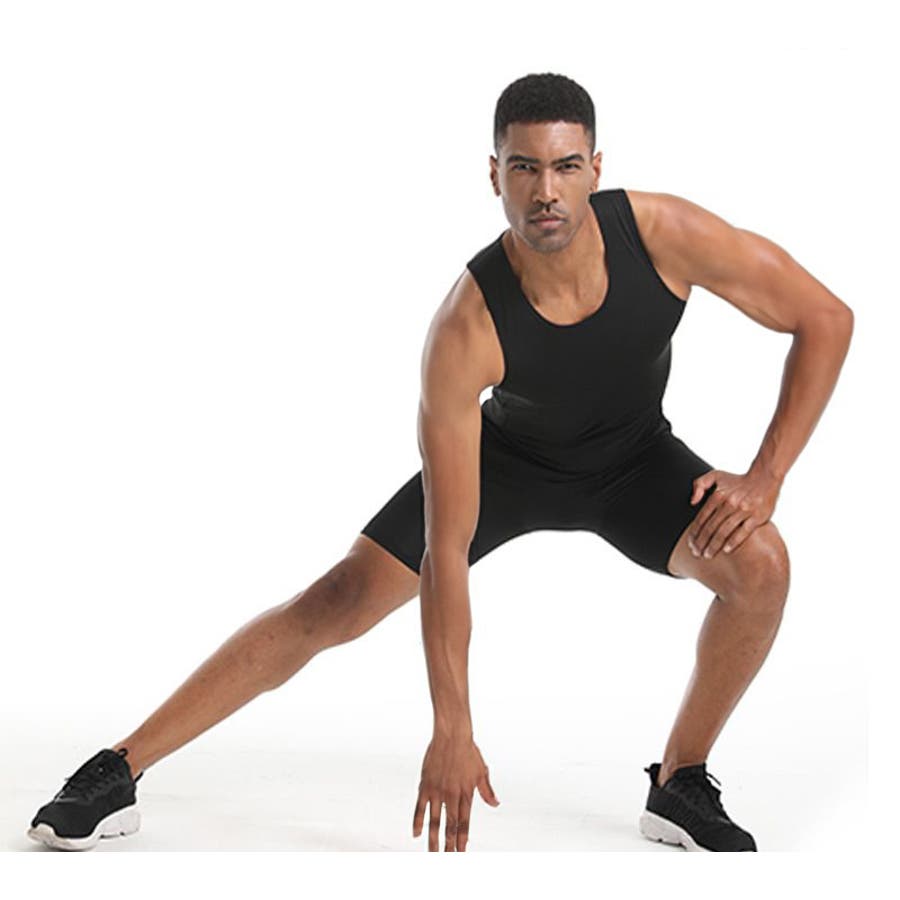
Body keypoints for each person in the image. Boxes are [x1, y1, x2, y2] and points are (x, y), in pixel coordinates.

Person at [26, 72, 853, 853]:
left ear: (596, 169)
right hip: (507, 466)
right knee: (336, 600)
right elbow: (446, 550)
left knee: (762, 567)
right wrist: (452, 725)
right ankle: (119, 769)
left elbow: (825, 317)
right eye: (524, 168)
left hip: (634, 462)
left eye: (566, 166)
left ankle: (680, 780)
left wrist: (766, 476)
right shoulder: (466, 327)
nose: (546, 191)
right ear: (494, 175)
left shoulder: (665, 235)